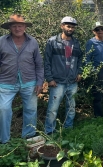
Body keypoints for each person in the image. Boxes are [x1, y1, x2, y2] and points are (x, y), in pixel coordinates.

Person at [0, 14, 43, 143]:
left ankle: (28, 138)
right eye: (14, 26)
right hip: (6, 83)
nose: (17, 28)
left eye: (20, 25)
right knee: (3, 109)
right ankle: (4, 141)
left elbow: (39, 64)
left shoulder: (33, 41)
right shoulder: (1, 41)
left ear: (25, 27)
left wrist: (40, 82)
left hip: (29, 82)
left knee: (30, 110)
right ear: (9, 27)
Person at [44, 16, 83, 134]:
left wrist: (80, 72)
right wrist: (49, 79)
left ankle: (68, 129)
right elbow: (46, 61)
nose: (70, 29)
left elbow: (80, 59)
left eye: (72, 27)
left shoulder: (76, 43)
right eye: (68, 26)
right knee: (53, 109)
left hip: (72, 81)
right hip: (57, 82)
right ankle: (50, 132)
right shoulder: (52, 42)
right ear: (62, 26)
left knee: (71, 108)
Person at [85, 22, 103, 118]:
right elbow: (87, 58)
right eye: (97, 29)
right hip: (98, 70)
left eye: (102, 29)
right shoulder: (91, 42)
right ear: (94, 32)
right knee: (98, 94)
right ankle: (99, 117)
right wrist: (92, 71)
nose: (100, 31)